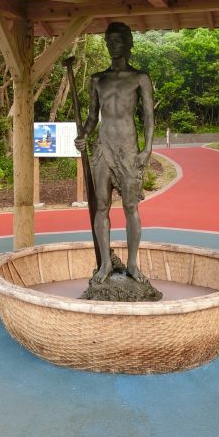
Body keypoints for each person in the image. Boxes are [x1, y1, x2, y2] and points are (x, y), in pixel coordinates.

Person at [74, 22, 154, 283]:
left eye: (118, 41)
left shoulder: (140, 78)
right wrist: (83, 135)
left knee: (131, 206)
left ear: (129, 43)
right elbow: (91, 117)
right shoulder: (98, 79)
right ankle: (106, 264)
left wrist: (147, 149)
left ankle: (132, 264)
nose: (113, 46)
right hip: (103, 147)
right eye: (109, 42)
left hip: (128, 149)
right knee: (101, 206)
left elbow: (149, 117)